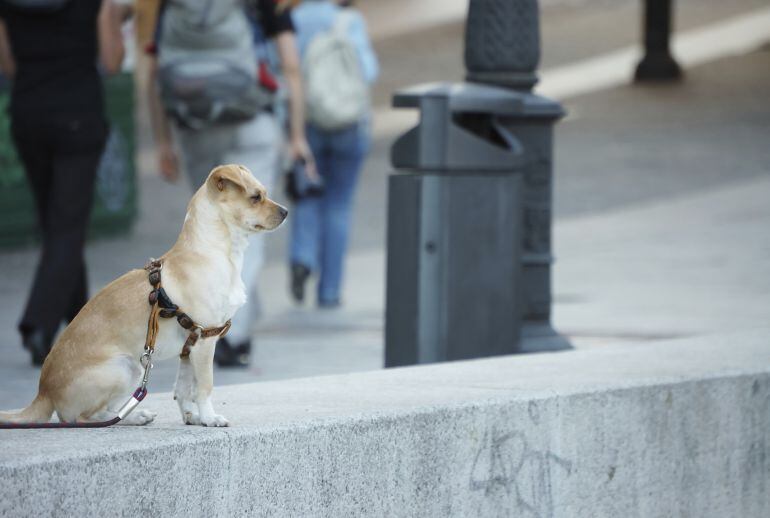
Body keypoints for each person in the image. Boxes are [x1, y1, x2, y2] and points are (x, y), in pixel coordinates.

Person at [147, 0, 312, 367]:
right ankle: (232, 334)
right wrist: (298, 135)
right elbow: (291, 67)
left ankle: (234, 315)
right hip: (250, 120)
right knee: (248, 227)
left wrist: (162, 140)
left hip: (194, 125)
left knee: (212, 226)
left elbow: (155, 70)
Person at [0, 0, 125, 365]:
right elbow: (112, 62)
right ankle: (38, 324)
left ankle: (80, 327)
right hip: (79, 114)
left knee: (58, 227)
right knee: (67, 227)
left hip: (28, 115)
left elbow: (7, 64)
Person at [289, 0, 378, 307]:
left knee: (307, 192)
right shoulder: (349, 20)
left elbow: (284, 71)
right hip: (348, 123)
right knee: (338, 204)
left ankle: (302, 256)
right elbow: (368, 70)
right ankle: (329, 291)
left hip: (308, 121)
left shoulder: (293, 18)